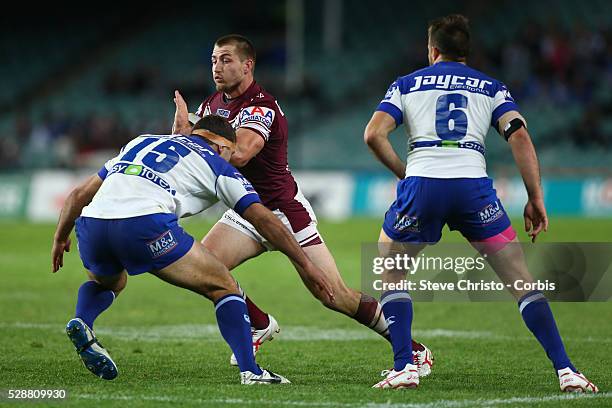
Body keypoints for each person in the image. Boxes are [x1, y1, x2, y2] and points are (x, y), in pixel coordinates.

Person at [172, 34, 434, 376]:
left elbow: (241, 153)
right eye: (213, 60)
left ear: (247, 65)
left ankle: (412, 350)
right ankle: (258, 323)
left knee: (333, 295)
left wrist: (191, 134)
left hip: (283, 213)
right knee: (201, 268)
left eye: (225, 60)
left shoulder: (260, 107)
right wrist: (178, 134)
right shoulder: (211, 106)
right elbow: (195, 152)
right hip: (246, 211)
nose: (217, 68)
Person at [364, 14, 598, 392]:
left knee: (391, 268)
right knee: (521, 281)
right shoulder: (491, 87)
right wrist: (535, 198)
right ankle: (566, 371)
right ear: (465, 52)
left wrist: (403, 173)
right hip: (474, 187)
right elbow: (519, 136)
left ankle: (404, 366)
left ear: (433, 50)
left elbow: (374, 134)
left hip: (423, 183)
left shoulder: (406, 85)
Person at [51, 115, 334, 385]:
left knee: (109, 282)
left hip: (92, 223)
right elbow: (262, 218)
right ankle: (252, 372)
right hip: (145, 223)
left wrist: (60, 237)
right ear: (223, 146)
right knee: (224, 286)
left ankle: (82, 320)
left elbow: (78, 195)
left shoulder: (141, 141)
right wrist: (306, 265)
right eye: (230, 152)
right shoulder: (219, 165)